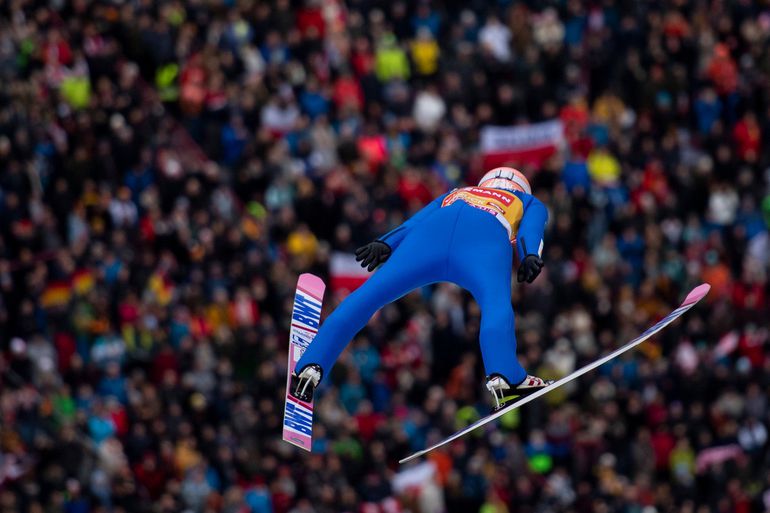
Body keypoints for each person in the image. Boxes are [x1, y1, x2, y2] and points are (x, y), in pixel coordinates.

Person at [291, 167, 552, 411]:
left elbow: (418, 220)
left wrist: (387, 242)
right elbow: (531, 228)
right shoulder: (527, 202)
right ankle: (504, 376)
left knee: (368, 297)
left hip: (430, 236)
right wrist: (530, 254)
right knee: (495, 305)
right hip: (484, 239)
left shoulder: (458, 191)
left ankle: (310, 366)